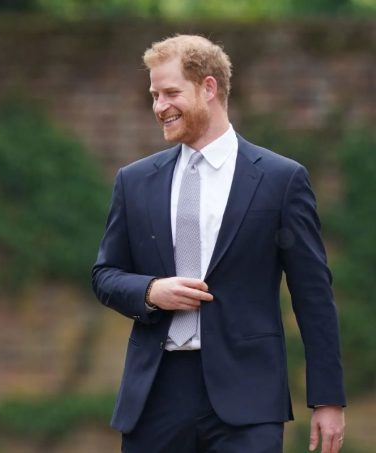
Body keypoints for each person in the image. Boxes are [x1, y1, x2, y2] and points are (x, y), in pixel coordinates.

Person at [92, 34, 346, 453]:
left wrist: (328, 398)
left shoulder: (282, 180)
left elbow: (314, 296)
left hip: (248, 399)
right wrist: (152, 291)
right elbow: (105, 275)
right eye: (154, 95)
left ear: (209, 88)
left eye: (171, 92)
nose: (159, 106)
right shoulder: (133, 181)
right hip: (155, 394)